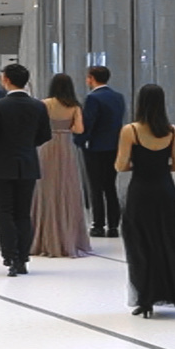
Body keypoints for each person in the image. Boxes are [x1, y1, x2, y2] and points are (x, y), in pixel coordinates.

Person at [117, 85, 175, 315]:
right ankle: (168, 291)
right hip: (165, 190)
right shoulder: (172, 131)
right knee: (165, 240)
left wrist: (138, 163)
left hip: (141, 190)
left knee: (139, 243)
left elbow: (120, 165)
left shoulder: (131, 130)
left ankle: (144, 297)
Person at [0, 63, 50, 275]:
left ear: (6, 80)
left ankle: (9, 254)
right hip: (28, 163)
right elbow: (45, 135)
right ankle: (22, 257)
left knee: (4, 212)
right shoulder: (38, 106)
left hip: (2, 164)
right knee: (23, 213)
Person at [32, 74, 94, 259]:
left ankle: (43, 235)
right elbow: (79, 130)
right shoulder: (74, 106)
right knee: (67, 188)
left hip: (46, 145)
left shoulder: (44, 104)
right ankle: (68, 236)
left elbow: (37, 127)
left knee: (44, 188)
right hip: (66, 147)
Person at [76, 64, 126, 239]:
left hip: (95, 147)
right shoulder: (118, 97)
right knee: (110, 186)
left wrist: (79, 141)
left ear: (91, 78)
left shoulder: (92, 99)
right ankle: (113, 225)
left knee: (95, 187)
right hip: (113, 146)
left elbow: (89, 123)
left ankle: (98, 224)